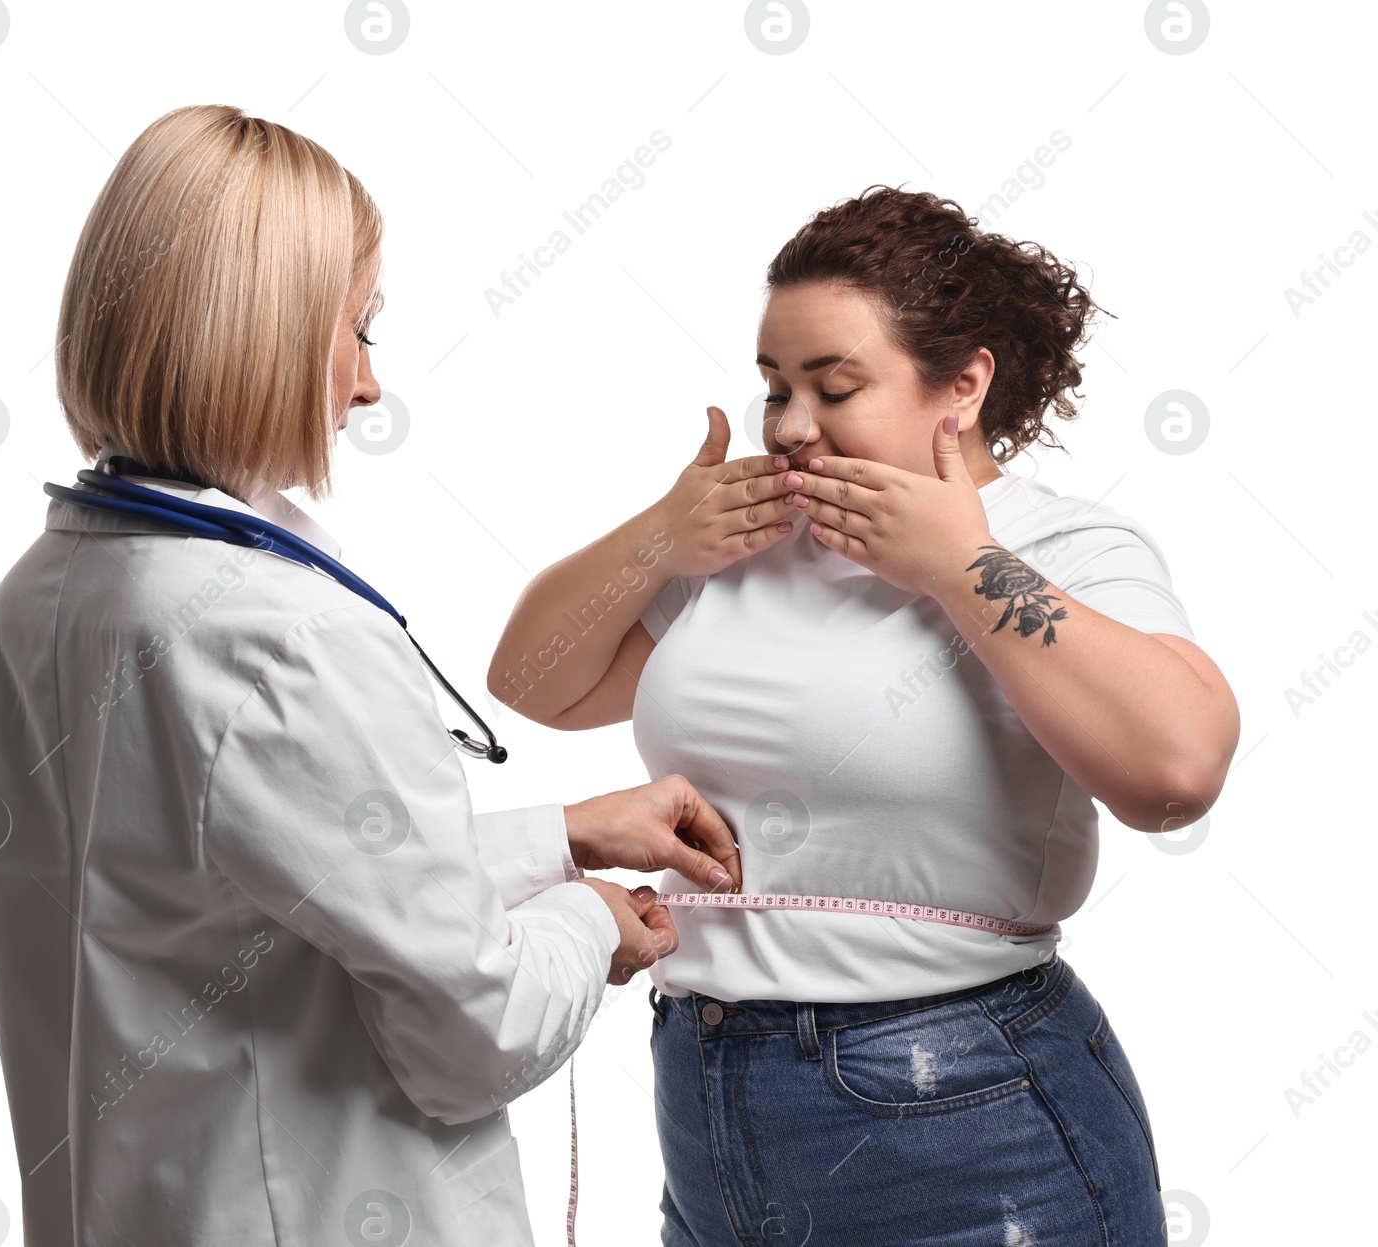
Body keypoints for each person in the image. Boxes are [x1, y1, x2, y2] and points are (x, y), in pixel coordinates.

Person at [0, 104, 743, 1247]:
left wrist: (561, 835)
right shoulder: (284, 636)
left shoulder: (43, 593)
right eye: (360, 329)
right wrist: (588, 923)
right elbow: (475, 1031)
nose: (369, 387)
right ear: (255, 335)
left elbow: (232, 899)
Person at [489, 185, 1241, 1244]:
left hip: (969, 1113)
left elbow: (1176, 771)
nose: (793, 428)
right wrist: (661, 534)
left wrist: (956, 563)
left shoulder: (1060, 545)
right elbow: (534, 684)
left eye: (834, 387)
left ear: (964, 383)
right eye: (773, 388)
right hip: (706, 1094)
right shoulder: (743, 544)